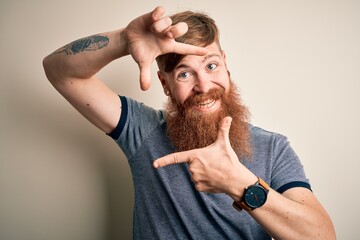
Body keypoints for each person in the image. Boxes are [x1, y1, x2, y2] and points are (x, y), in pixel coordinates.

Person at [43, 6, 335, 240]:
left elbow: (323, 236)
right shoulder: (144, 132)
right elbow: (59, 71)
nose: (203, 85)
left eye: (211, 65)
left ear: (226, 64)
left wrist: (242, 185)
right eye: (184, 74)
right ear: (165, 83)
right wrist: (123, 41)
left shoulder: (274, 148)